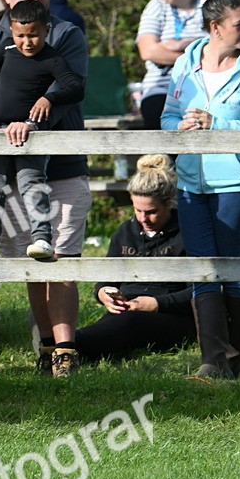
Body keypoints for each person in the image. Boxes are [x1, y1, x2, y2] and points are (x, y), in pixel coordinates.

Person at [0, 0, 91, 376]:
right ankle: (43, 348)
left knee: (63, 257)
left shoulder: (67, 35)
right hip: (11, 164)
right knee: (32, 262)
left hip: (63, 164)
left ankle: (66, 349)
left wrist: (31, 122)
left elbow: (67, 89)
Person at [162, 0, 240, 379]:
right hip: (190, 184)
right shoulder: (184, 66)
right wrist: (178, 127)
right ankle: (212, 361)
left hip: (238, 184)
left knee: (231, 267)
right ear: (215, 27)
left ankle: (234, 358)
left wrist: (219, 125)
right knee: (202, 267)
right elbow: (166, 117)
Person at [0, 0, 85, 261]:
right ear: (12, 31)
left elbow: (75, 88)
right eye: (20, 35)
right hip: (1, 134)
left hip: (31, 136)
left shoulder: (53, 59)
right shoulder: (5, 52)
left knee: (32, 185)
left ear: (47, 30)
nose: (27, 42)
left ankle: (42, 238)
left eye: (33, 35)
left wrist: (49, 98)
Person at [76, 154, 195, 363]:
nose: (143, 219)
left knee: (129, 323)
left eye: (151, 212)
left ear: (170, 204)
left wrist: (157, 303)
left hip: (173, 316)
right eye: (137, 210)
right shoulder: (124, 232)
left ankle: (72, 344)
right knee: (119, 323)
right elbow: (106, 280)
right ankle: (72, 347)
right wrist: (104, 293)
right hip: (126, 311)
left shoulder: (188, 234)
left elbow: (199, 291)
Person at [135, 0, 207, 130]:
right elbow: (148, 51)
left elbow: (221, 46)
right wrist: (195, 52)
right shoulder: (157, 6)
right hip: (161, 89)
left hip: (204, 88)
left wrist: (180, 44)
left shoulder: (208, 7)